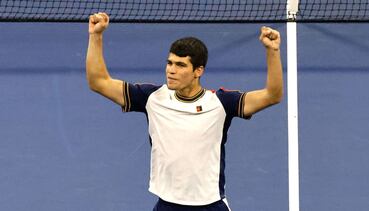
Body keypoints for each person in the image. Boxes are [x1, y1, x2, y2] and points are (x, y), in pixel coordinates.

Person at [86, 12, 283, 211]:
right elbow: (99, 82)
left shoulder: (221, 103)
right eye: (169, 63)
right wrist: (96, 35)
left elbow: (272, 95)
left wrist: (272, 52)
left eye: (180, 65)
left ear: (198, 71)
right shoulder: (151, 98)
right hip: (167, 205)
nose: (171, 70)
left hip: (210, 205)